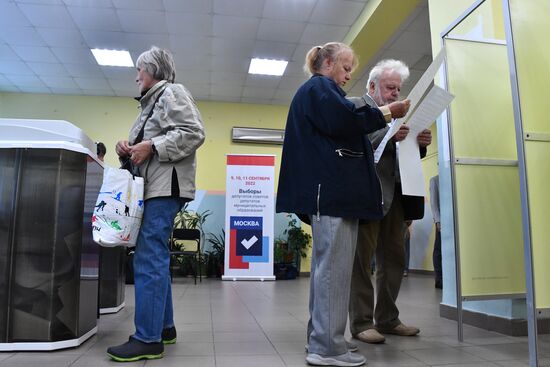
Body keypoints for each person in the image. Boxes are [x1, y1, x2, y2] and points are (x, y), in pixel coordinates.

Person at [276, 43, 410, 367]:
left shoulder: (320, 93)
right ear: (328, 62)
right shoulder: (320, 87)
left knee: (330, 273)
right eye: (346, 67)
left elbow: (343, 127)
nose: (349, 75)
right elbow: (346, 120)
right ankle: (326, 347)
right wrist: (389, 112)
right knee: (332, 273)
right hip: (331, 195)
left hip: (334, 196)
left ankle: (326, 339)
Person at [107, 46, 205, 362]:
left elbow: (193, 132)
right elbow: (151, 146)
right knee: (154, 254)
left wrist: (151, 145)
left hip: (165, 187)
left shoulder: (172, 92)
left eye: (140, 70)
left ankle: (147, 339)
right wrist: (129, 148)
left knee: (148, 254)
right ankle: (164, 328)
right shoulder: (150, 103)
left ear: (154, 71)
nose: (136, 76)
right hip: (155, 186)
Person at [348, 59, 432, 345]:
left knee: (394, 260)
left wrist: (419, 144)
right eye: (389, 87)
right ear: (372, 86)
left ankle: (387, 319)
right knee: (362, 261)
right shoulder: (357, 106)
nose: (395, 93)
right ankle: (361, 323)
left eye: (398, 88)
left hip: (397, 194)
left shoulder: (402, 114)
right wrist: (389, 133)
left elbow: (400, 154)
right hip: (368, 194)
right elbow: (356, 144)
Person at [430, 175, 442, 289]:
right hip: (442, 221)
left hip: (454, 220)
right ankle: (439, 279)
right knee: (438, 249)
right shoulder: (435, 180)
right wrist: (438, 221)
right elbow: (433, 203)